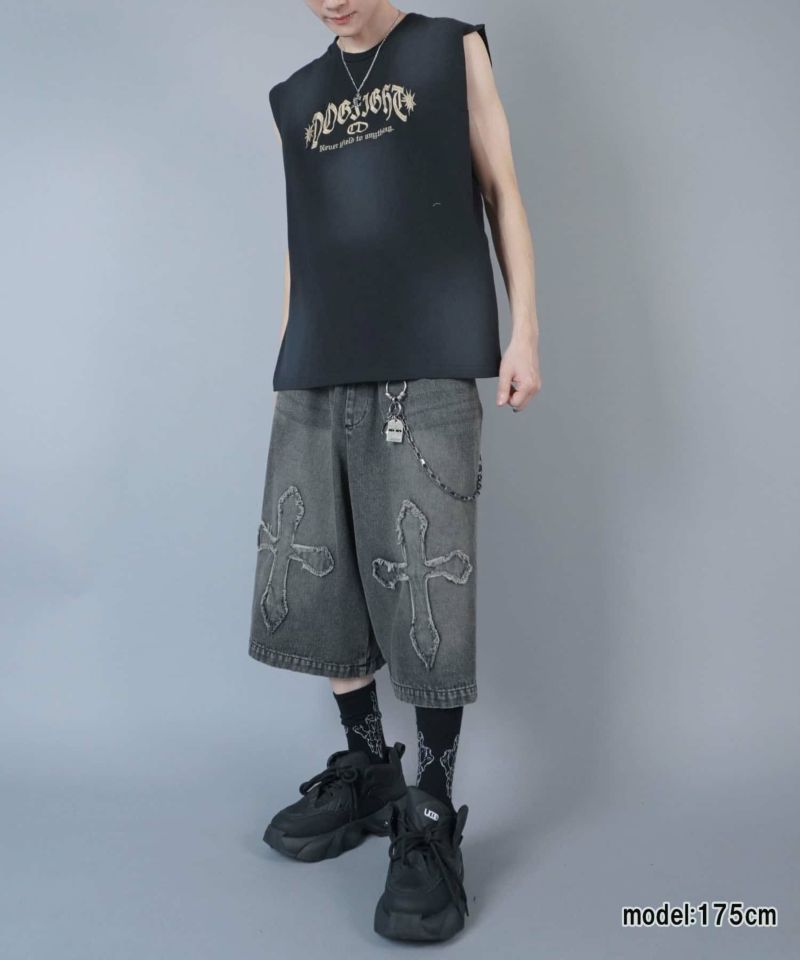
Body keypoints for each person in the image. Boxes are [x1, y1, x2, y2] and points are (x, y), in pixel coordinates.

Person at [249, 0, 541, 942]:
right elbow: (301, 240)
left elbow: (499, 189)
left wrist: (524, 331)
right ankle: (371, 769)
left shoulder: (448, 50)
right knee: (320, 579)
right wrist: (288, 358)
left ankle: (432, 810)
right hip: (317, 369)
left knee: (426, 595)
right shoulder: (295, 97)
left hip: (426, 362)